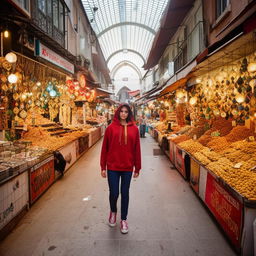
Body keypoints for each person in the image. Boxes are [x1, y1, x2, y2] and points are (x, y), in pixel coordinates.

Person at [100, 104, 141, 234]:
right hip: (112, 166)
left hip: (128, 167)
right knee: (114, 193)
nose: (123, 114)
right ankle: (113, 211)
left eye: (126, 112)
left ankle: (123, 219)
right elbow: (104, 148)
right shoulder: (110, 128)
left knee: (125, 193)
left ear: (129, 114)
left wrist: (137, 168)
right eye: (121, 111)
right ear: (118, 113)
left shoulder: (134, 129)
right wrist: (103, 167)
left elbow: (137, 150)